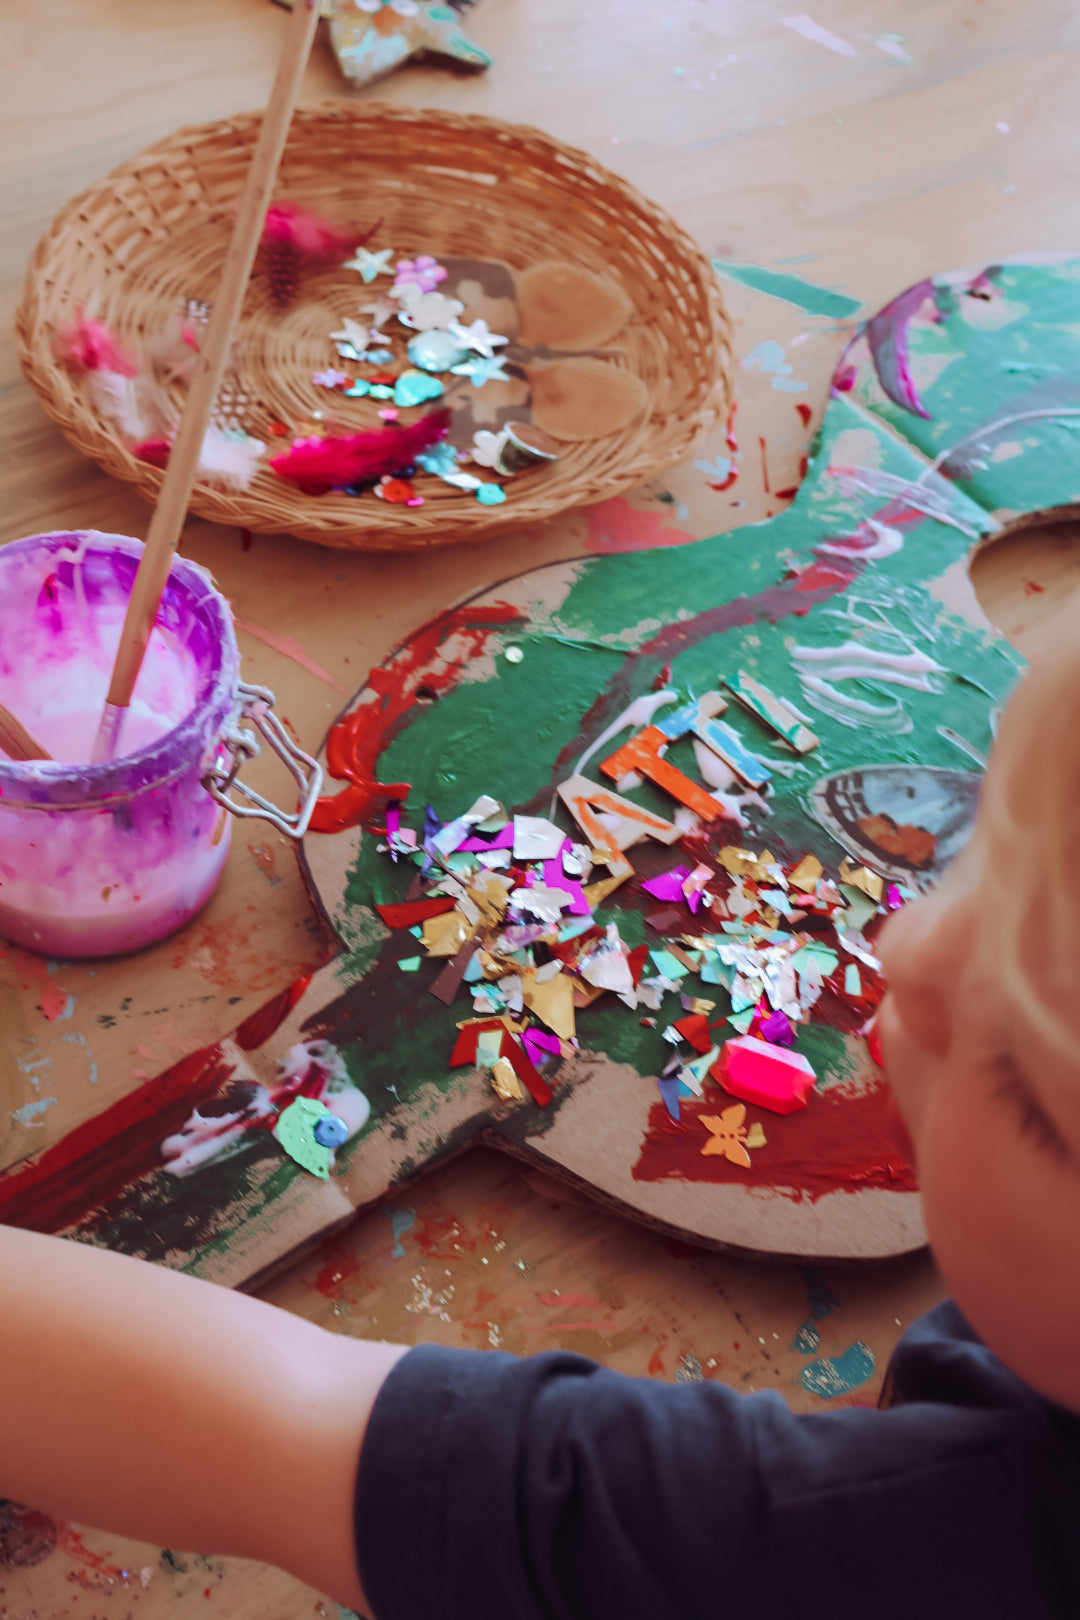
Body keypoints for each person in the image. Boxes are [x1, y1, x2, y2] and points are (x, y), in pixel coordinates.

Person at [4, 601, 1080, 1620]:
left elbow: (288, 1430)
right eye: (982, 855)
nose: (910, 953)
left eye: (1032, 1092)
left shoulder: (893, 1553)